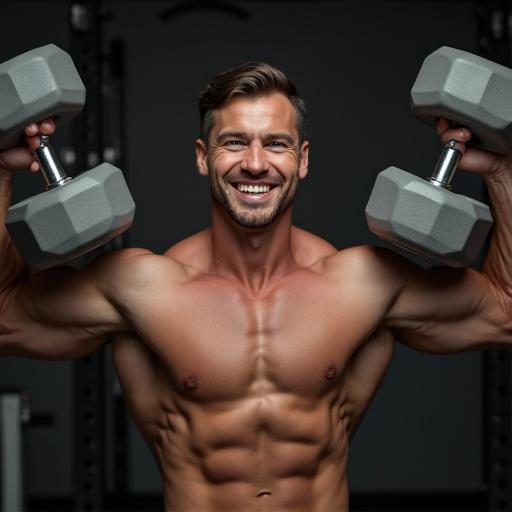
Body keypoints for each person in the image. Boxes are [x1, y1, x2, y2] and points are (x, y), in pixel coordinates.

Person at [0, 61, 511, 512]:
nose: (255, 163)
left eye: (277, 144)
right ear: (203, 157)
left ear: (303, 160)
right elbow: (7, 319)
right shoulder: (142, 288)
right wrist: (2, 170)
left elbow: (504, 313)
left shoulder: (364, 283)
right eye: (234, 142)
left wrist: (502, 171)